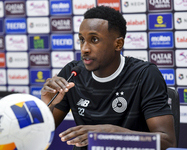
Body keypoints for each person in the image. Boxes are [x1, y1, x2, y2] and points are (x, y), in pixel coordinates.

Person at [41, 6, 176, 150]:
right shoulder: (72, 73)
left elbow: (167, 142)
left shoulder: (145, 74)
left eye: (94, 39)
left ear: (118, 44)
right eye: (81, 39)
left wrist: (111, 133)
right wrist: (48, 105)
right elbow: (41, 134)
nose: (84, 48)